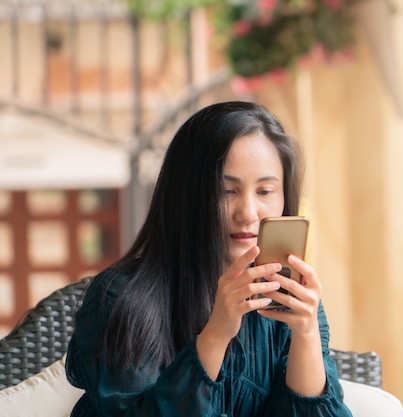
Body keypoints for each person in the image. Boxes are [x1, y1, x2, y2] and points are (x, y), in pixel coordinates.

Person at [65, 101, 353, 417]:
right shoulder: (121, 298)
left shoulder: (287, 299)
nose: (248, 213)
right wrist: (216, 332)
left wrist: (307, 333)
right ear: (187, 195)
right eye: (225, 191)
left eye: (265, 191)